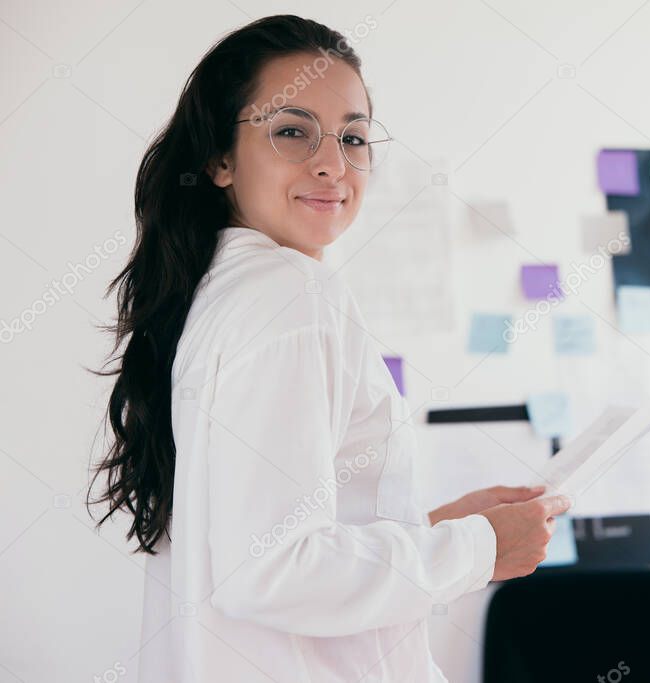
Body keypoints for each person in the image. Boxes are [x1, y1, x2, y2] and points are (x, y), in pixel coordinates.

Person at [86, 14, 571, 681]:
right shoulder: (289, 295)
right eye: (292, 131)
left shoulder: (226, 293)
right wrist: (476, 548)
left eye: (353, 137)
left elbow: (267, 539)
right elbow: (268, 570)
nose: (331, 163)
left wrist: (427, 528)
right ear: (220, 158)